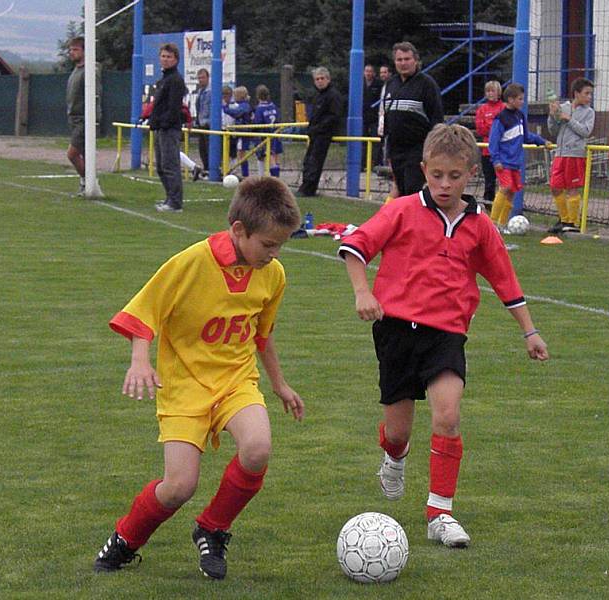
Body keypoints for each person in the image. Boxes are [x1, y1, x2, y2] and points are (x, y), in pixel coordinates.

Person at [338, 123, 548, 548]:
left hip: (446, 335)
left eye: (454, 176)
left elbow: (505, 281)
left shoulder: (480, 227)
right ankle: (394, 457)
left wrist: (531, 332)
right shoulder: (400, 210)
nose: (444, 184)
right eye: (436, 175)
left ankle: (440, 512)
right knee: (398, 433)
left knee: (448, 416)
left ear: (470, 172)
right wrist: (363, 293)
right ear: (423, 170)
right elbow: (355, 248)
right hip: (396, 331)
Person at [93, 176, 304, 579]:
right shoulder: (190, 263)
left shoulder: (272, 274)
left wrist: (279, 383)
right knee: (179, 486)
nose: (275, 254)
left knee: (258, 447)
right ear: (239, 230)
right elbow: (144, 311)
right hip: (184, 388)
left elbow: (263, 332)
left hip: (236, 381)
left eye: (281, 245)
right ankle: (126, 538)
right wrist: (140, 359)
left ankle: (213, 528)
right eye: (269, 244)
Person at [383, 41, 444, 196]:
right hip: (396, 148)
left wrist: (432, 149)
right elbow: (387, 116)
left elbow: (436, 119)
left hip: (417, 148)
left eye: (407, 59)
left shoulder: (427, 84)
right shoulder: (391, 84)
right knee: (401, 190)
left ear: (415, 60)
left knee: (412, 190)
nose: (403, 63)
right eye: (399, 59)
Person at [488, 83, 548, 229]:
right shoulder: (500, 118)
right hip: (503, 161)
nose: (522, 102)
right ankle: (491, 223)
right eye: (520, 99)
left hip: (516, 162)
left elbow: (526, 136)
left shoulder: (520, 116)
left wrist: (541, 141)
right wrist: (496, 159)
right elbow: (493, 140)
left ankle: (502, 225)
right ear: (510, 99)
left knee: (512, 193)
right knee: (505, 187)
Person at [546, 77, 596, 234]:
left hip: (575, 154)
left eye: (590, 94)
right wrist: (552, 116)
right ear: (576, 93)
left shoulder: (589, 113)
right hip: (560, 153)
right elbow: (553, 130)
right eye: (586, 93)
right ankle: (564, 218)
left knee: (572, 188)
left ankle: (572, 222)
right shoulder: (563, 107)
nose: (589, 97)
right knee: (555, 187)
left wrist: (569, 119)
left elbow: (585, 132)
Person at [151, 43, 188, 213]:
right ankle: (169, 197)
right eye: (163, 56)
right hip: (160, 128)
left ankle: (175, 202)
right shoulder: (164, 79)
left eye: (169, 57)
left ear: (176, 59)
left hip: (169, 128)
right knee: (161, 166)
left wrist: (163, 122)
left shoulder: (175, 80)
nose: (165, 59)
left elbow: (173, 107)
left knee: (170, 165)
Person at [297, 67, 343, 197]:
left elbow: (333, 116)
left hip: (323, 134)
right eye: (317, 79)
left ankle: (308, 189)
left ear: (328, 79)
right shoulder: (319, 95)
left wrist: (317, 128)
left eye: (322, 78)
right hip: (315, 133)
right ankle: (305, 186)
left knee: (315, 162)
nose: (320, 81)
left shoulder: (333, 95)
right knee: (309, 161)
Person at [65, 36, 102, 195]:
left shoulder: (90, 70)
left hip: (84, 118)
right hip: (74, 117)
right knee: (85, 154)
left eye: (75, 49)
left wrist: (92, 117)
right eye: (70, 50)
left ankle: (89, 181)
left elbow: (96, 95)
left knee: (72, 154)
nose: (72, 53)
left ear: (85, 51)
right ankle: (86, 183)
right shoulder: (76, 70)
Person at [474, 80, 504, 208]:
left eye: (493, 91)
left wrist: (493, 128)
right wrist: (494, 129)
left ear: (499, 92)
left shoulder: (504, 108)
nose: (490, 93)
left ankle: (501, 207)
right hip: (487, 151)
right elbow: (481, 129)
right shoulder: (482, 109)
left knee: (504, 182)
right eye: (488, 91)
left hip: (502, 151)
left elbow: (505, 127)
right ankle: (489, 207)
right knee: (489, 182)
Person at [224, 86, 254, 178]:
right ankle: (242, 173)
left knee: (241, 153)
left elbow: (236, 113)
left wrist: (225, 108)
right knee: (240, 153)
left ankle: (245, 174)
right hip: (240, 133)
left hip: (243, 134)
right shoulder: (242, 105)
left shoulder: (244, 106)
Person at [253, 84, 282, 178]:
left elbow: (257, 123)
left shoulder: (259, 108)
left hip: (265, 136)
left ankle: (273, 178)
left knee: (269, 157)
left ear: (257, 96)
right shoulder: (273, 106)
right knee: (275, 156)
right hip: (275, 133)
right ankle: (274, 176)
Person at [362, 64, 382, 170]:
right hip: (363, 116)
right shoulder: (359, 83)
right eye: (366, 71)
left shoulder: (379, 84)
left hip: (375, 117)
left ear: (373, 73)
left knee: (376, 141)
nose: (368, 73)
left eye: (370, 71)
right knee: (362, 141)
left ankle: (376, 164)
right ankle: (362, 164)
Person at [194, 68, 211, 172]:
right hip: (201, 123)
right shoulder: (200, 91)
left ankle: (211, 168)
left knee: (209, 147)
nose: (201, 80)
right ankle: (206, 167)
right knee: (202, 148)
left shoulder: (211, 91)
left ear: (208, 78)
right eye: (199, 78)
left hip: (208, 123)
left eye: (203, 78)